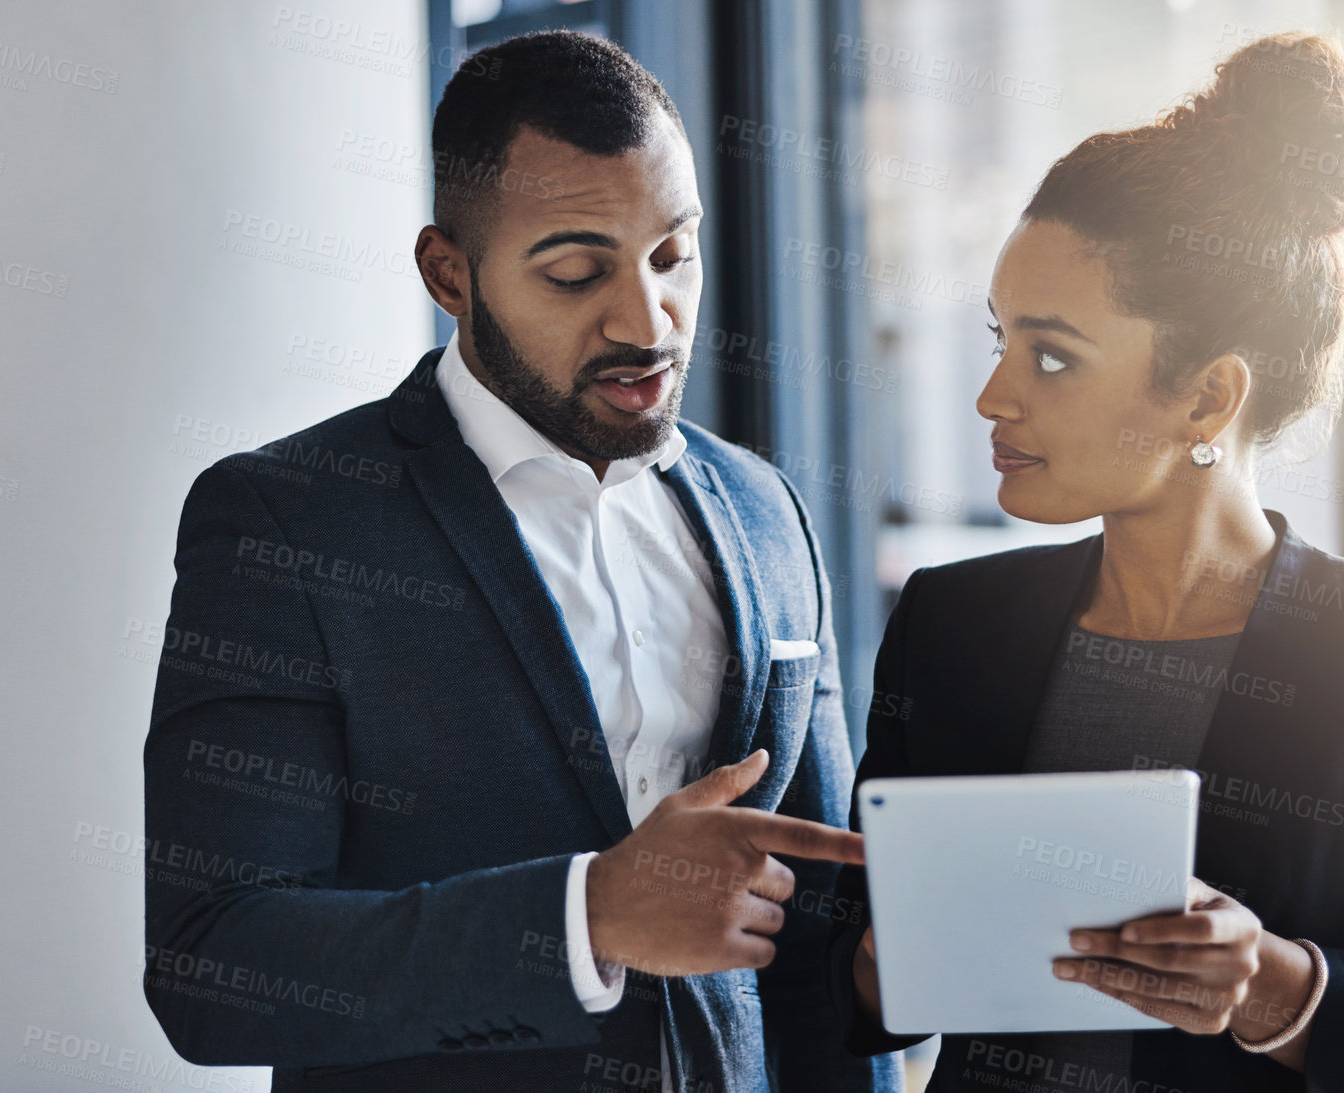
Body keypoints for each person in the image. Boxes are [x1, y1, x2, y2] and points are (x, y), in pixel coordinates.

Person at [143, 30, 896, 1093]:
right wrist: (586, 917)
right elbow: (211, 962)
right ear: (449, 273)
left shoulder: (766, 512)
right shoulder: (289, 522)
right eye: (578, 270)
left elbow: (816, 946)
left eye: (672, 255)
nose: (647, 320)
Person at [830, 32, 1344, 1093]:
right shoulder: (951, 623)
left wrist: (1270, 985)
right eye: (997, 340)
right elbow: (850, 983)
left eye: (1050, 355)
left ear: (1205, 397)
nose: (992, 396)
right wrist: (882, 962)